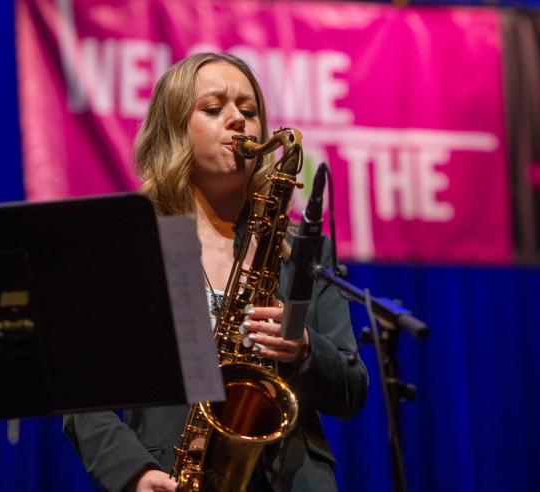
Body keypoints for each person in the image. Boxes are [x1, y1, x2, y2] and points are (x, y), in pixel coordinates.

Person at [63, 52, 369, 492]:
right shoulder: (132, 245)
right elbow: (80, 391)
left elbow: (352, 388)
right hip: (175, 477)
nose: (238, 121)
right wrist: (132, 473)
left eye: (249, 111)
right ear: (174, 130)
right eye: (213, 109)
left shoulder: (304, 250)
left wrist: (302, 350)